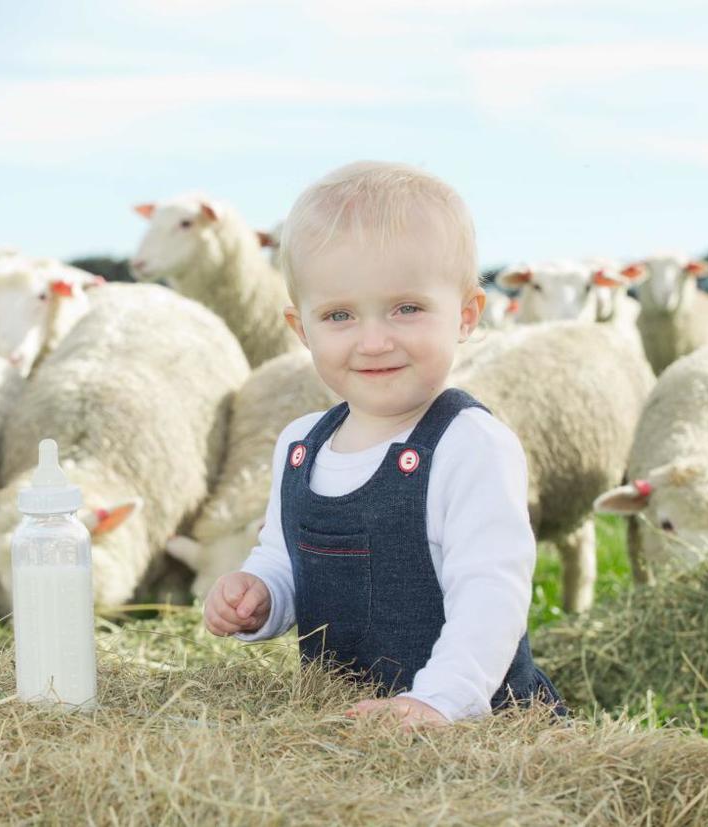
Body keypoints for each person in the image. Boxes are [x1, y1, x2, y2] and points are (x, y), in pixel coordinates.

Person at [202, 161, 563, 728]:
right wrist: (261, 595)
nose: (374, 341)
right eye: (339, 315)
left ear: (466, 315)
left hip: (476, 726)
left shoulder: (469, 445)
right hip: (349, 723)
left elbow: (491, 597)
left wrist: (438, 701)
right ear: (302, 330)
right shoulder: (301, 445)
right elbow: (285, 559)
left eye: (407, 308)